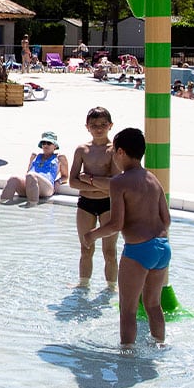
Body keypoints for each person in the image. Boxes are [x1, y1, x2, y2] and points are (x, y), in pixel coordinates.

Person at [98, 128, 170, 346]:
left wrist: (91, 235)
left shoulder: (119, 182)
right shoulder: (153, 179)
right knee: (153, 305)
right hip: (162, 247)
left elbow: (116, 224)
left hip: (138, 250)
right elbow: (166, 219)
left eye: (113, 153)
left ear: (121, 152)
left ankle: (127, 357)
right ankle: (160, 345)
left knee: (127, 309)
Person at [69, 108, 119, 289]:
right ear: (87, 127)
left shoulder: (113, 150)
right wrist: (98, 185)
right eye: (94, 125)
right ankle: (83, 285)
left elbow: (114, 183)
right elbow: (72, 181)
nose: (99, 129)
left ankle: (111, 287)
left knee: (110, 251)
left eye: (103, 125)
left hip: (108, 204)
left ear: (110, 126)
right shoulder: (82, 150)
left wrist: (88, 179)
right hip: (85, 204)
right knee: (86, 247)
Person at [0, 132, 66, 206]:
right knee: (13, 178)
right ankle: (1, 203)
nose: (45, 145)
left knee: (31, 175)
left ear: (55, 146)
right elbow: (27, 173)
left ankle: (32, 204)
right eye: (43, 143)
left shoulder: (59, 158)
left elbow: (65, 177)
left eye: (49, 143)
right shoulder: (35, 156)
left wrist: (58, 182)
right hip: (31, 184)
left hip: (46, 187)